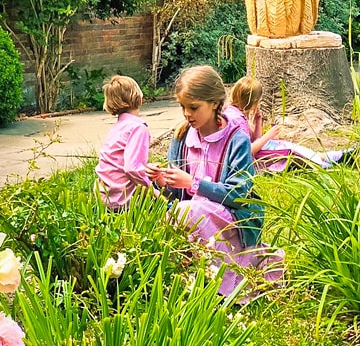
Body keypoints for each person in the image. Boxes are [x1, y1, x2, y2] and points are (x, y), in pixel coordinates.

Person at [145, 66, 269, 297]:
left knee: (188, 210)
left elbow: (238, 194)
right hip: (191, 215)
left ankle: (220, 285)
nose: (187, 114)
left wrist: (193, 183)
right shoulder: (182, 137)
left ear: (214, 103)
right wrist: (162, 180)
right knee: (179, 207)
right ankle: (184, 278)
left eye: (193, 107)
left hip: (231, 219)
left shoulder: (235, 139)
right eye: (183, 107)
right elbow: (177, 192)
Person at [228, 77, 352, 172]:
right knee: (290, 152)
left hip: (261, 152)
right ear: (253, 101)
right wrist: (268, 136)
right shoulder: (237, 120)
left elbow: (255, 140)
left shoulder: (238, 114)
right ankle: (329, 164)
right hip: (254, 162)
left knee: (288, 147)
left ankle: (337, 156)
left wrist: (258, 121)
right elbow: (248, 151)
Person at [94, 75, 155, 211]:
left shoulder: (117, 127)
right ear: (140, 99)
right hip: (123, 200)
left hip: (105, 196)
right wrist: (152, 191)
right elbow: (132, 168)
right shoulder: (138, 128)